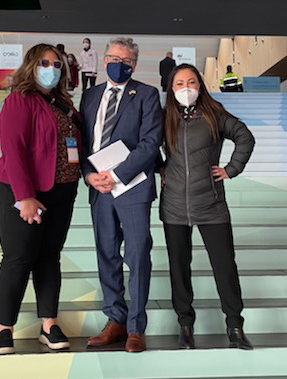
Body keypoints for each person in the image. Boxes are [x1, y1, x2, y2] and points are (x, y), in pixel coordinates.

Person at [0, 43, 81, 355]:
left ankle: (49, 324)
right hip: (24, 191)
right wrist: (25, 197)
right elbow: (12, 151)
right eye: (45, 63)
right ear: (31, 65)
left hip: (62, 189)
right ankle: (4, 328)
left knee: (49, 257)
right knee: (18, 256)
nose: (51, 69)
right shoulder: (20, 100)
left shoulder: (63, 103)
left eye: (57, 65)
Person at [160, 64, 256, 350]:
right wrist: (160, 167)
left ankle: (235, 326)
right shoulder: (163, 117)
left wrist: (231, 169)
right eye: (179, 83)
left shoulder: (214, 114)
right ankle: (186, 326)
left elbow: (245, 137)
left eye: (191, 82)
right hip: (174, 205)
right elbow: (147, 144)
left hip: (211, 203)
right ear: (171, 88)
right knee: (179, 268)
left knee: (224, 266)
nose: (185, 88)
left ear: (200, 86)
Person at [80, 37, 162, 353]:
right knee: (107, 254)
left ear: (134, 65)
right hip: (98, 189)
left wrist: (115, 175)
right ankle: (115, 319)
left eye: (126, 60)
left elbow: (150, 143)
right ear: (104, 61)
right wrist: (89, 176)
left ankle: (136, 327)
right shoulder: (89, 96)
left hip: (133, 186)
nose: (120, 63)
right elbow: (83, 142)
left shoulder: (147, 95)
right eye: (114, 57)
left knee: (138, 254)